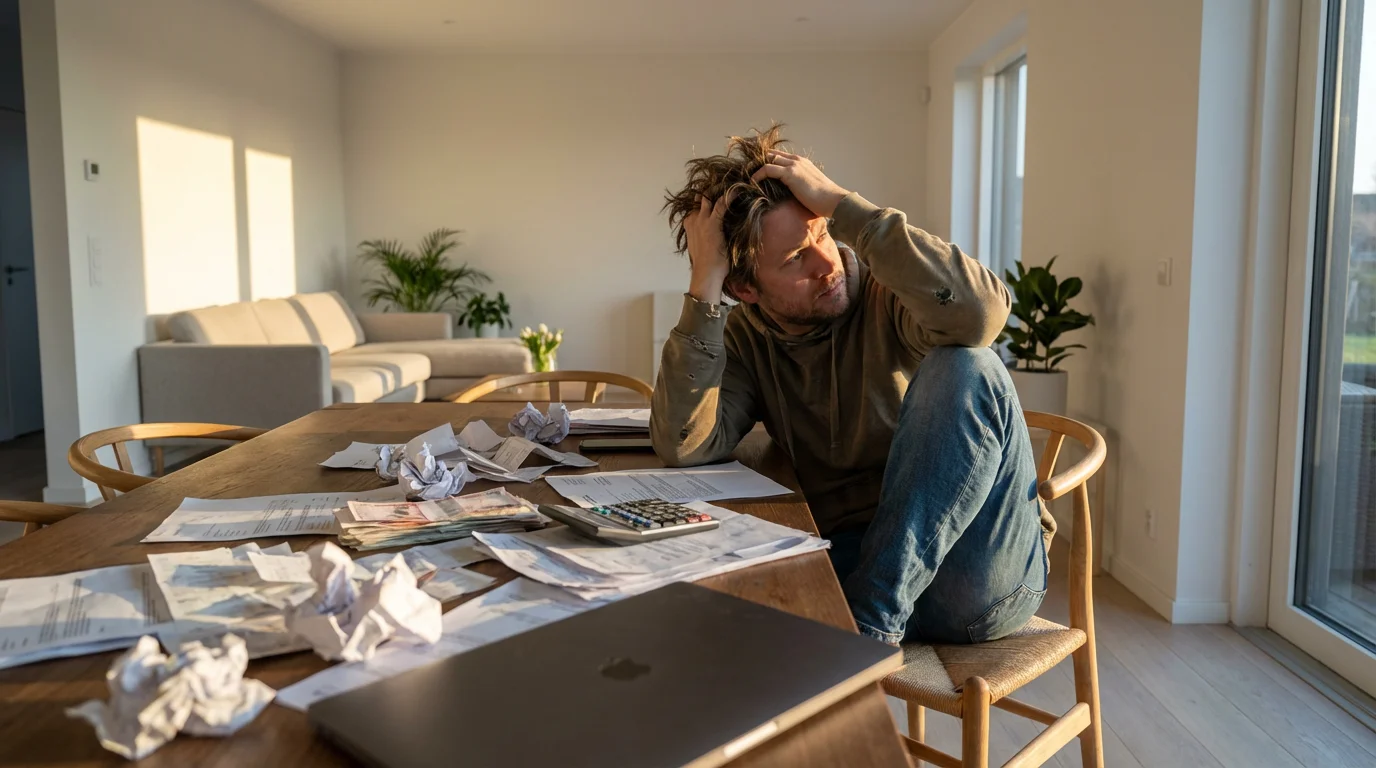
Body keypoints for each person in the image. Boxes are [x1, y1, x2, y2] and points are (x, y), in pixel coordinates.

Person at [651, 125, 1054, 646]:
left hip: (975, 576)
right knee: (708, 610)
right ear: (745, 287)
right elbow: (686, 445)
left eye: (822, 234)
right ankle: (865, 623)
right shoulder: (746, 337)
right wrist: (704, 285)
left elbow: (980, 316)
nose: (828, 264)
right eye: (796, 259)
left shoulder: (895, 293)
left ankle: (869, 626)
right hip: (853, 559)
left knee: (968, 366)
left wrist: (843, 206)